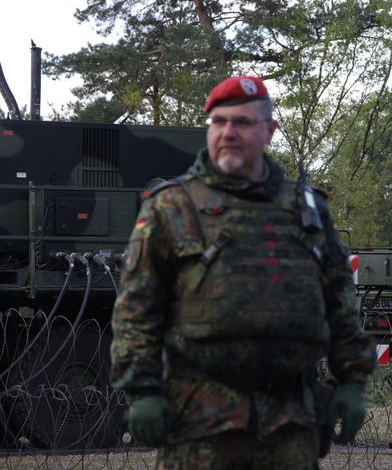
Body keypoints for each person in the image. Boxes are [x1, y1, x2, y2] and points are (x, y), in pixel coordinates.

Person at [111, 75, 375, 468]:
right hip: (198, 421)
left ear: (269, 130)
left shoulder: (307, 210)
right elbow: (136, 312)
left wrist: (352, 379)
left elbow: (339, 302)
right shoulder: (171, 208)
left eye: (243, 122)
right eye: (219, 122)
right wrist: (142, 390)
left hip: (291, 422)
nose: (229, 132)